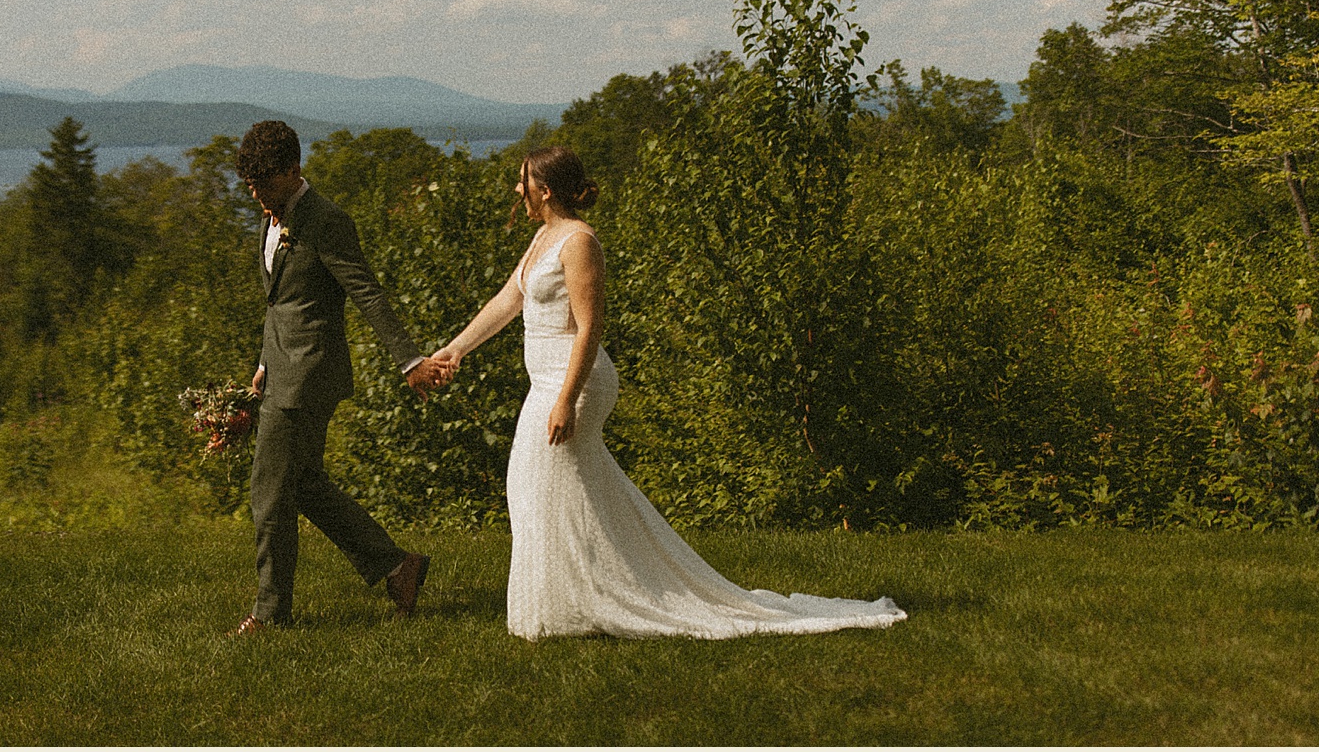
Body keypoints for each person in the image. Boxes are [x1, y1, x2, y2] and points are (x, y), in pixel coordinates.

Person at [432, 145, 907, 641]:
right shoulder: (543, 238)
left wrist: (566, 400)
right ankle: (568, 605)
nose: (516, 189)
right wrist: (456, 349)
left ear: (544, 190)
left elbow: (591, 326)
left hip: (575, 382)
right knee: (541, 487)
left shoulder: (579, 242)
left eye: (522, 181)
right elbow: (508, 300)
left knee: (540, 481)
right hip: (546, 383)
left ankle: (596, 604)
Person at [231, 119, 452, 636]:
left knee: (268, 494)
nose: (256, 193)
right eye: (249, 184)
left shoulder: (327, 221)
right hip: (281, 371)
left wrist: (409, 361)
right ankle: (398, 568)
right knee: (302, 484)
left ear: (294, 169)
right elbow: (278, 303)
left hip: (310, 376)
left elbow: (367, 293)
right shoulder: (269, 216)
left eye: (264, 181)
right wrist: (262, 365)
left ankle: (270, 615)